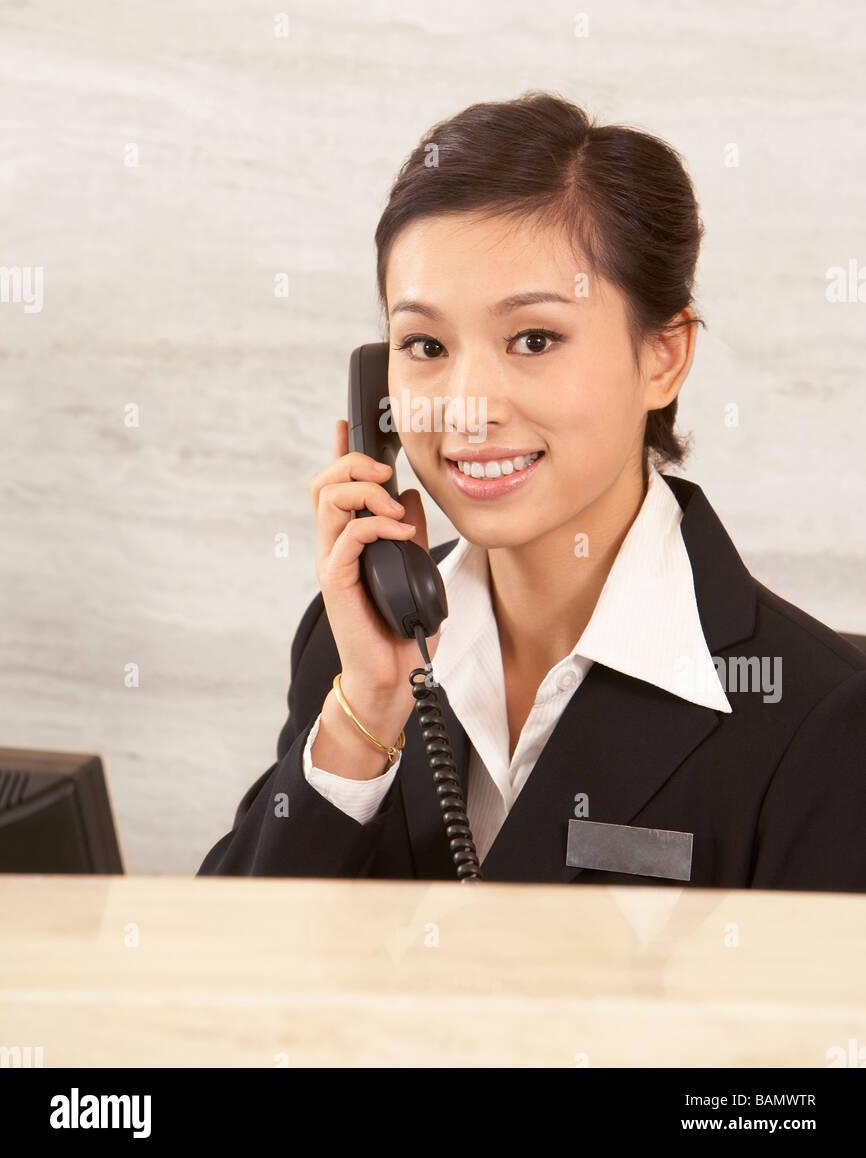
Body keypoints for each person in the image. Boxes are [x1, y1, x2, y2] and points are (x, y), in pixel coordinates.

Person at [197, 91, 866, 889]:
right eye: (425, 344)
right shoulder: (348, 648)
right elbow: (230, 975)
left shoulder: (822, 717)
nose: (468, 405)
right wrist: (366, 715)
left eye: (534, 338)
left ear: (663, 357)